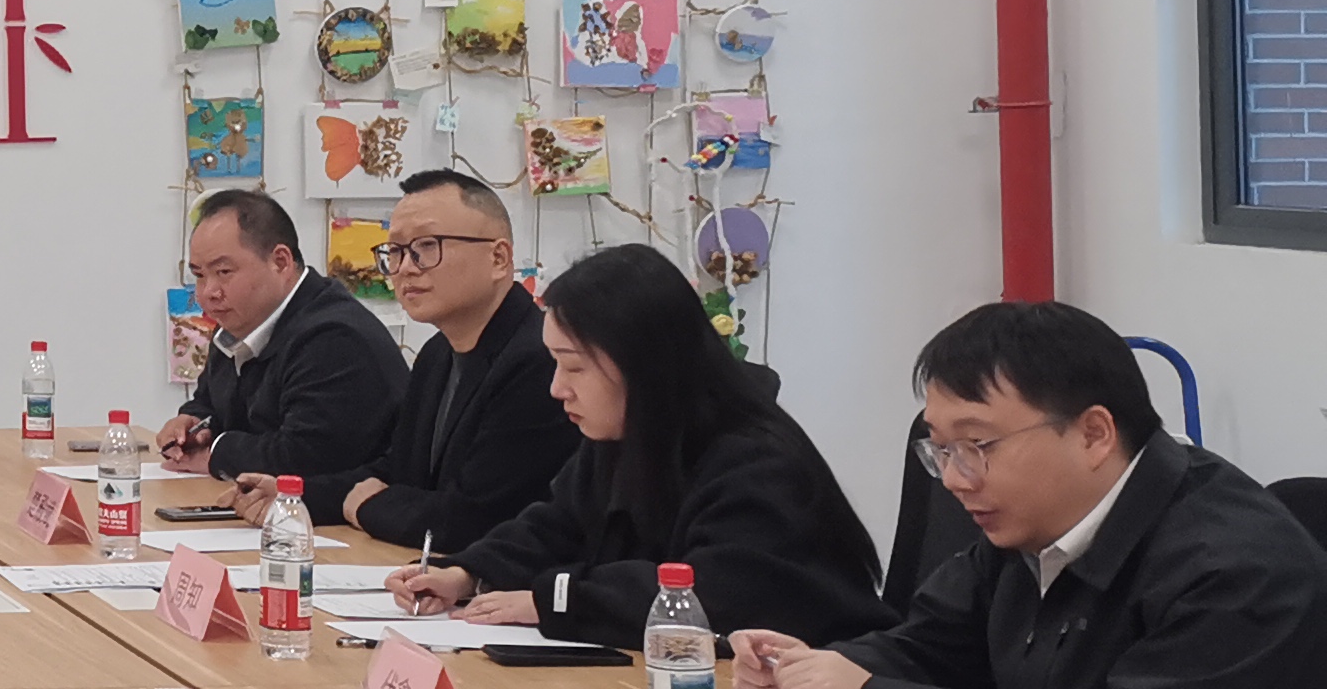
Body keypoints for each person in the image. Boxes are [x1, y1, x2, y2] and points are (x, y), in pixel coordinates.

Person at [740, 300, 1327, 689]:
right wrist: (809, 677)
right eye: (940, 449)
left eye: (977, 446)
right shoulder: (1031, 526)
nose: (953, 479)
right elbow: (932, 649)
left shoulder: (1239, 566)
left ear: (1094, 434)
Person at [388, 241, 884, 647]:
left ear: (642, 364)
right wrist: (466, 573)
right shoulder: (624, 436)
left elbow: (707, 596)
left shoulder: (756, 464)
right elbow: (555, 526)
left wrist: (555, 599)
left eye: (574, 366)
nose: (557, 388)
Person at [233, 169, 574, 557]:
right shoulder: (437, 354)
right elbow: (398, 471)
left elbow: (477, 520)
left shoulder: (540, 360)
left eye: (427, 246)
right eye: (395, 251)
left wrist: (366, 506)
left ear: (498, 258)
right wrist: (297, 495)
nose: (406, 268)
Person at [155, 187, 406, 494]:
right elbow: (214, 405)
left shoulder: (334, 338)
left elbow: (303, 457)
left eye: (223, 271)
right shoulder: (237, 326)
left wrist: (217, 454)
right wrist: (193, 423)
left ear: (281, 262)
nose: (208, 292)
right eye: (199, 275)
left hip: (344, 517)